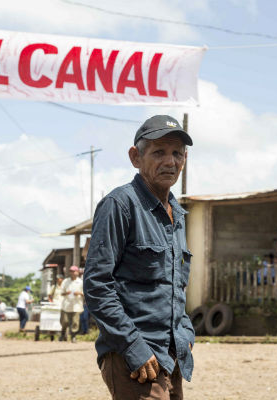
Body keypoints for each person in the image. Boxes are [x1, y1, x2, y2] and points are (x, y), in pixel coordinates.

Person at [84, 115, 195, 399]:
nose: (171, 161)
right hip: (135, 357)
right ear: (136, 157)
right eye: (159, 152)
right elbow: (97, 285)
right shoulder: (119, 205)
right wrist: (133, 346)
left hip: (172, 355)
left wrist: (186, 333)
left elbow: (174, 288)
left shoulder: (177, 213)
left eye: (177, 154)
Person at [60, 266, 84, 343]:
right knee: (65, 321)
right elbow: (61, 292)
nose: (73, 273)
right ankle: (63, 334)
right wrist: (66, 293)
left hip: (77, 305)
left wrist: (79, 293)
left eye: (74, 271)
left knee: (75, 322)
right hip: (66, 305)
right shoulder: (65, 281)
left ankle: (73, 336)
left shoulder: (81, 282)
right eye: (71, 271)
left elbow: (85, 293)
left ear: (77, 272)